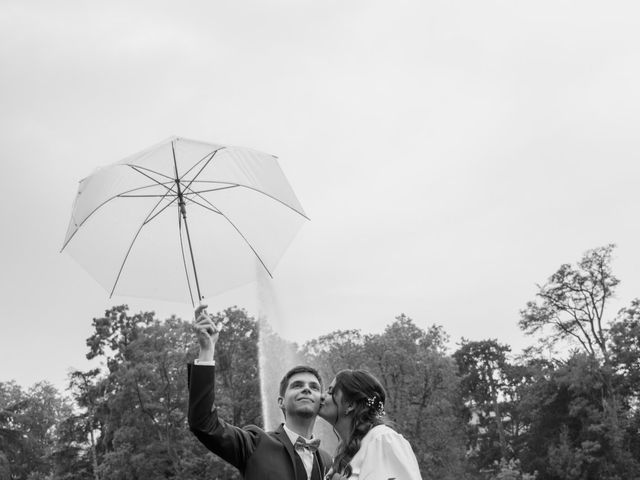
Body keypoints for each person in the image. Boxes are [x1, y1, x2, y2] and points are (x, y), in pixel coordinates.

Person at [188, 305, 331, 480]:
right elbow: (203, 423)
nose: (306, 389)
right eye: (297, 385)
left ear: (321, 401)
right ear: (281, 402)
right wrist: (206, 351)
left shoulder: (328, 461)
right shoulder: (254, 444)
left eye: (314, 387)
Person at [319, 369, 422, 480]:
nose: (321, 396)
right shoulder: (343, 453)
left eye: (330, 392)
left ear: (350, 405)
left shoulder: (383, 440)